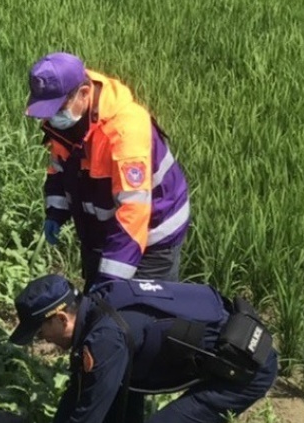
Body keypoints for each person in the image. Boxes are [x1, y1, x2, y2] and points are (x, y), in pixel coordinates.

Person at [8, 273, 277, 423]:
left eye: (41, 332)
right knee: (118, 401)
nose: (43, 340)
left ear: (61, 319)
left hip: (244, 368)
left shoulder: (105, 338)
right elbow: (81, 389)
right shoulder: (98, 304)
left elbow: (89, 413)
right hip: (221, 348)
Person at [25, 52, 191, 288]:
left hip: (154, 232)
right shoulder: (66, 119)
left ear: (83, 93)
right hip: (100, 226)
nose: (51, 118)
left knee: (142, 312)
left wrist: (111, 280)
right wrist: (56, 211)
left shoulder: (126, 131)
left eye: (56, 109)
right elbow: (60, 168)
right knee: (98, 301)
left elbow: (133, 211)